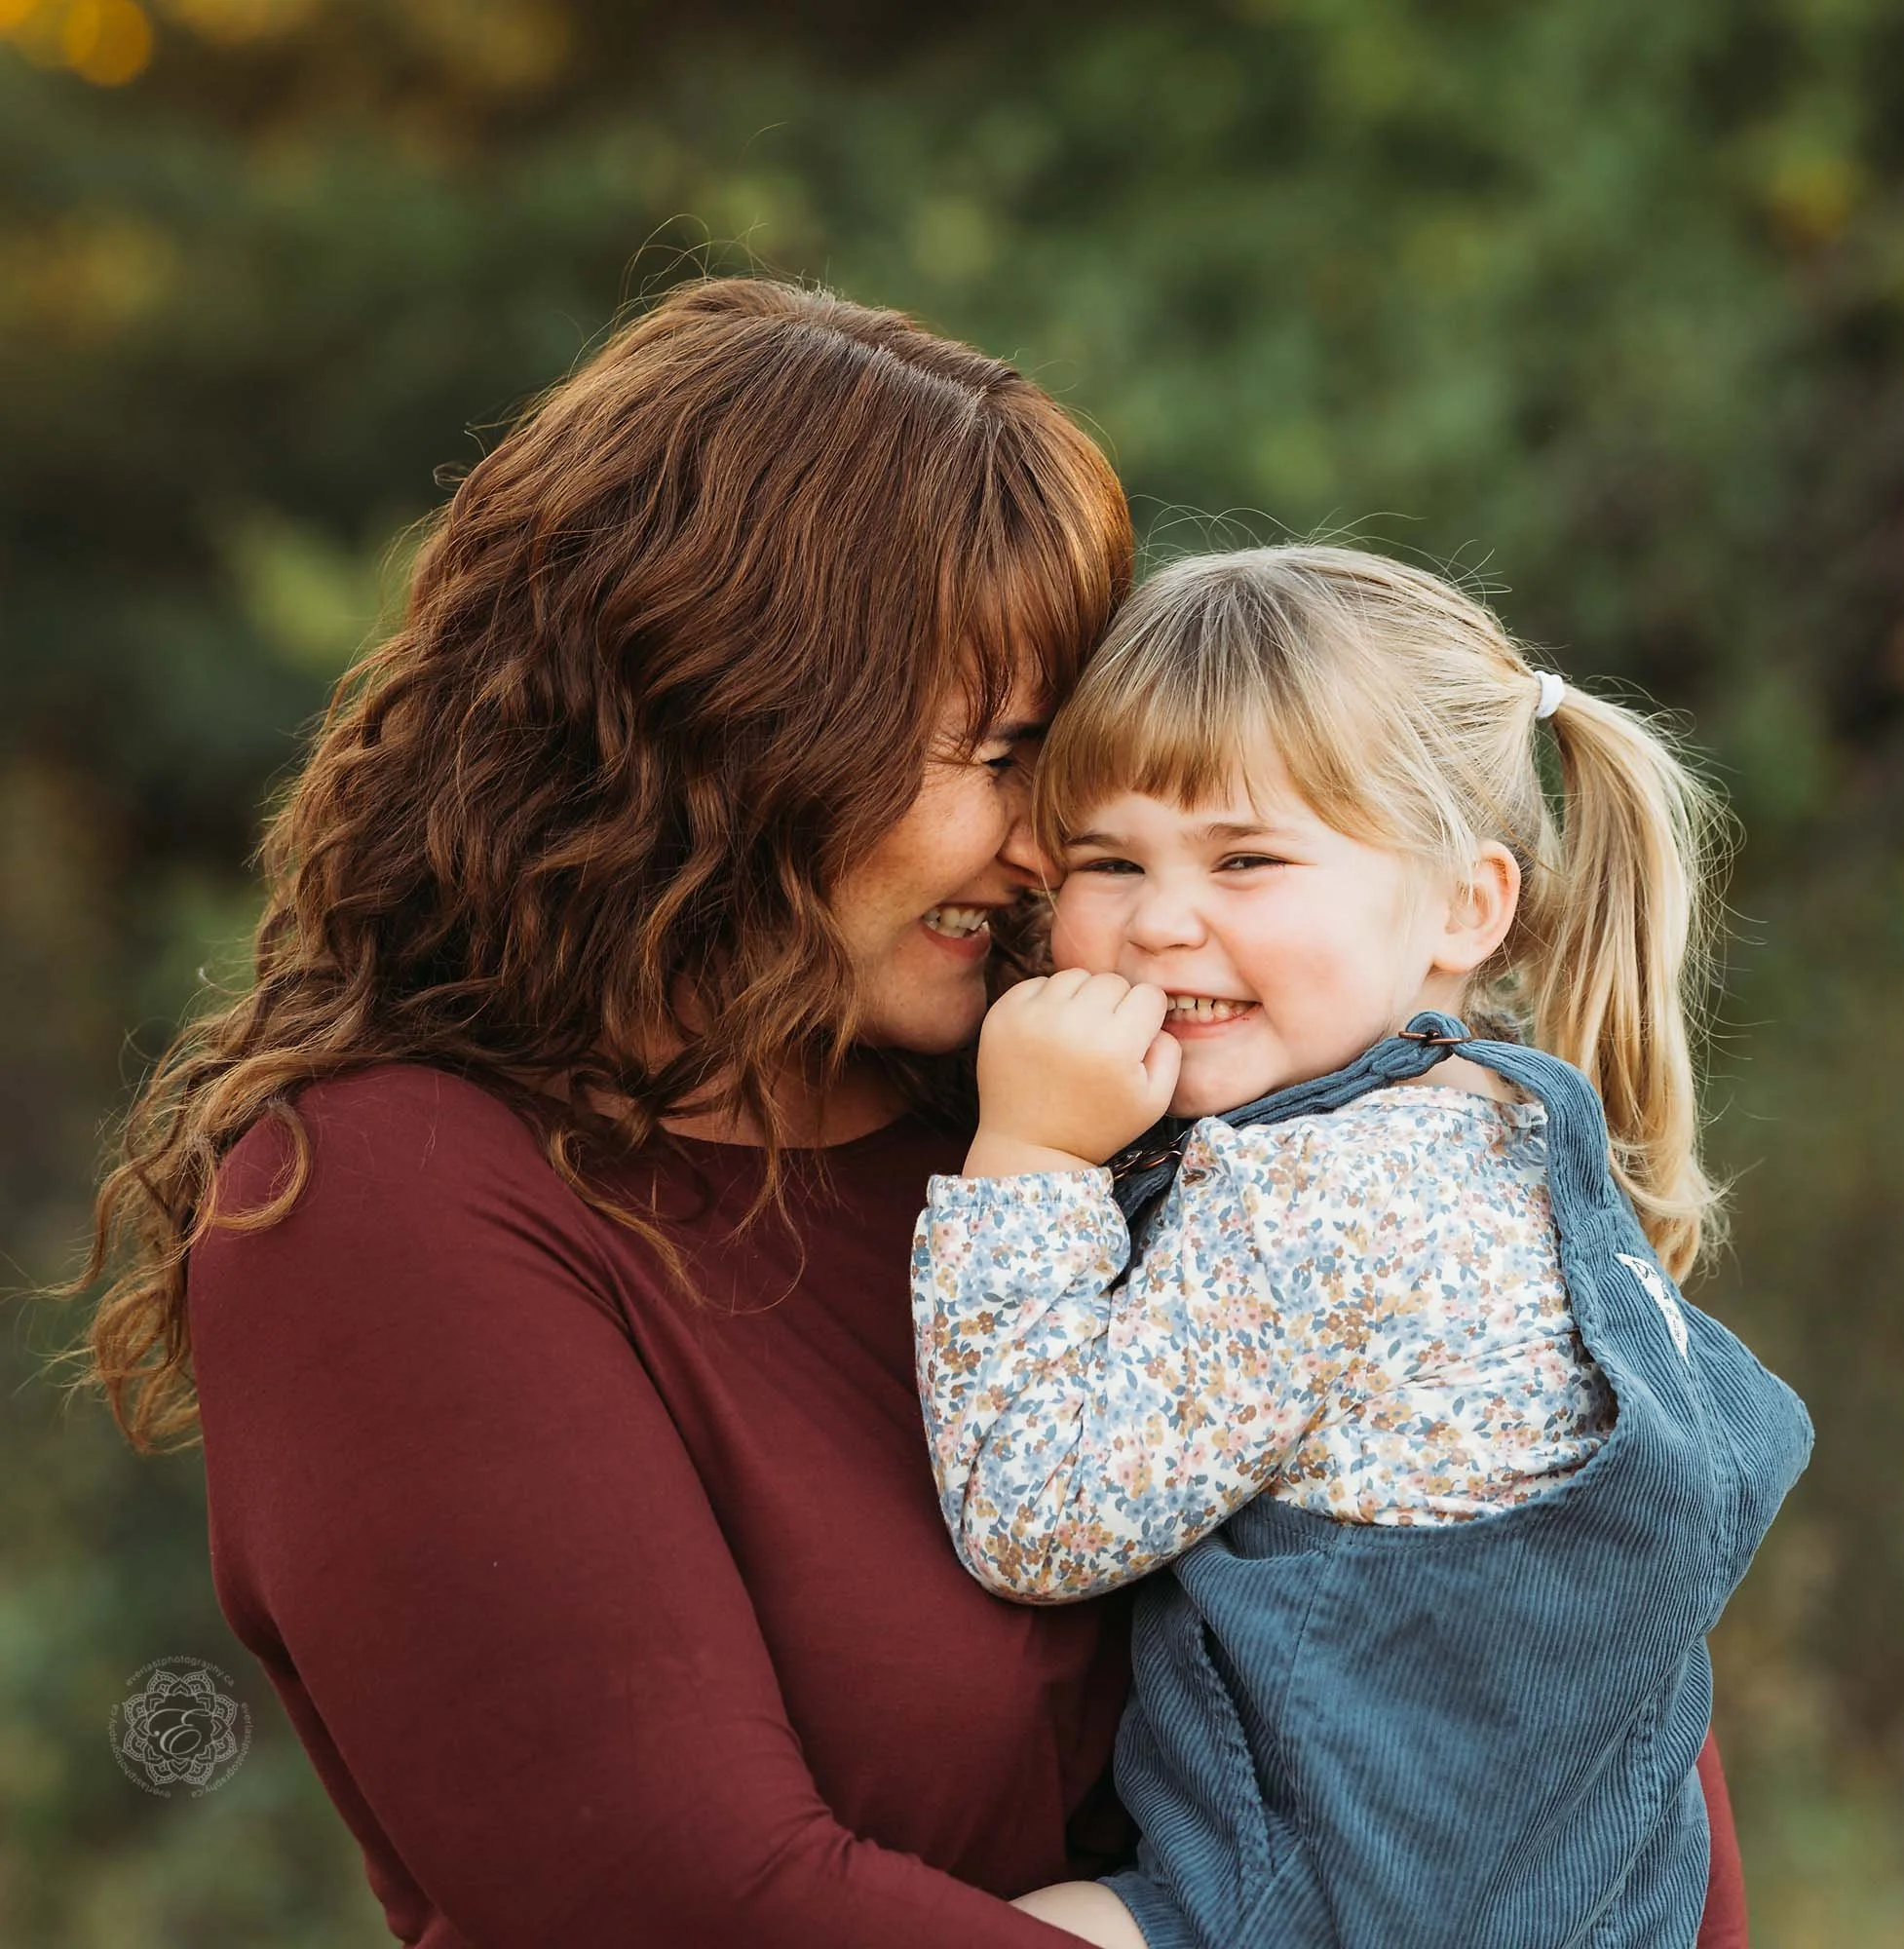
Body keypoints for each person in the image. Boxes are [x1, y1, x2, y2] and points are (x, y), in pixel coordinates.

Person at [75, 281, 1752, 1946]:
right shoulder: (395, 1205)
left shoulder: (1088, 1105)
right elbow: (691, 1904)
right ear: (735, 727)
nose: (1051, 854)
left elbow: (1572, 1696)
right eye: (1004, 758)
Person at [911, 547, 1811, 1947]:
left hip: (1328, 1899)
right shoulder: (1501, 1123)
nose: (1159, 921)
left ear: (1469, 905)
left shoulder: (1321, 1195)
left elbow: (1040, 1515)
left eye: (1248, 858)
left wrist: (1026, 1156)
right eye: (1107, 861)